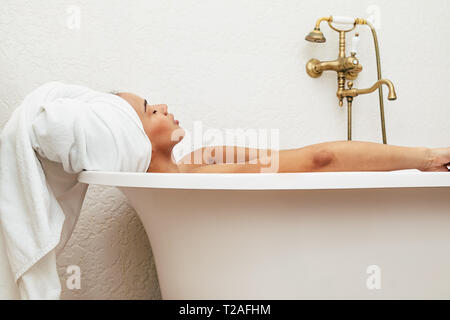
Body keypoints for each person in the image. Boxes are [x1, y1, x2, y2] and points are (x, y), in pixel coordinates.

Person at [114, 92, 450, 174]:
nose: (163, 106)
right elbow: (320, 159)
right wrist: (427, 158)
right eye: (150, 110)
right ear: (132, 138)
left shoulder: (203, 158)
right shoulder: (198, 174)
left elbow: (292, 162)